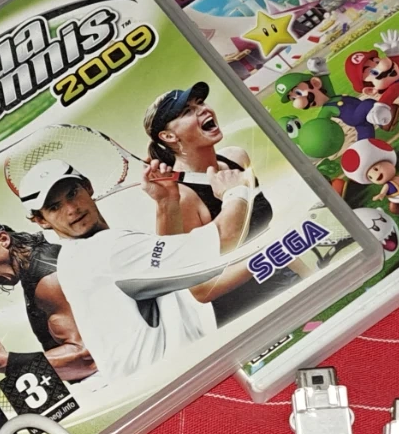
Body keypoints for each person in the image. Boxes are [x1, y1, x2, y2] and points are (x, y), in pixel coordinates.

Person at [17, 157, 253, 380]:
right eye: (54, 207)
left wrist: (166, 203)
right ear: (41, 220)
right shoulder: (106, 250)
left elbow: (166, 273)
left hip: (165, 382)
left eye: (72, 193)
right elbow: (224, 239)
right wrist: (236, 191)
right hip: (174, 381)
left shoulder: (73, 257)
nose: (71, 209)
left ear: (87, 186)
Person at [143, 81, 297, 324]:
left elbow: (268, 233)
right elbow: (202, 290)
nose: (203, 110)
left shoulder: (237, 157)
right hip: (250, 315)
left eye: (200, 102)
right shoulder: (184, 199)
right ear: (169, 136)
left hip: (292, 285)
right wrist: (270, 252)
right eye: (187, 111)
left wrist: (307, 272)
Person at [0, 216, 95, 381]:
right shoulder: (36, 267)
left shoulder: (47, 279)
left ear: (3, 239)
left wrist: (5, 362)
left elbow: (88, 357)